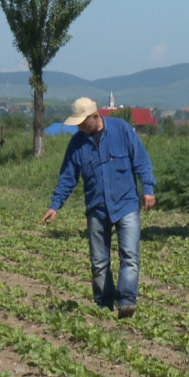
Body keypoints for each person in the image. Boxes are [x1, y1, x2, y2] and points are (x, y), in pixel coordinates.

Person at [42, 97, 156, 319]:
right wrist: (55, 205)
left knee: (130, 256)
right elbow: (67, 178)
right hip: (96, 209)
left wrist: (148, 189)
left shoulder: (121, 130)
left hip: (126, 204)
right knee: (99, 263)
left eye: (83, 122)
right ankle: (104, 305)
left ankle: (126, 302)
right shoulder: (76, 144)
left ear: (95, 116)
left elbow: (141, 160)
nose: (80, 127)